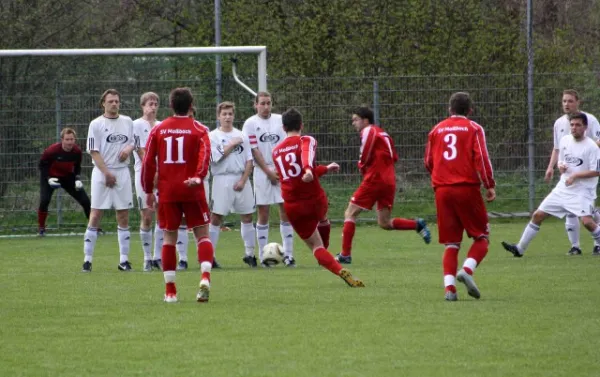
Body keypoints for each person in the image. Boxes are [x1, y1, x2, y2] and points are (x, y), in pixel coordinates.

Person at [273, 107, 364, 287]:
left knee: (316, 247)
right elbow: (306, 156)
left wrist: (310, 170)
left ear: (283, 128)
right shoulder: (306, 139)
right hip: (315, 200)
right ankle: (326, 247)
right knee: (322, 219)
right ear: (302, 125)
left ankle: (335, 266)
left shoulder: (276, 151)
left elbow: (290, 173)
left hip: (293, 206)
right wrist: (315, 169)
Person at [142, 87, 214, 303]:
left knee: (169, 238)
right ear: (191, 105)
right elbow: (205, 156)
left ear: (171, 105)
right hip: (192, 189)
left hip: (168, 191)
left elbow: (148, 162)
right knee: (202, 235)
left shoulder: (159, 129)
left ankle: (171, 291)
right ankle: (204, 277)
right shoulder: (200, 129)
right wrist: (198, 177)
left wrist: (148, 190)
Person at [336, 106, 431, 264]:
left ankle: (345, 255)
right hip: (389, 179)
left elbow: (365, 153)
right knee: (384, 222)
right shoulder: (383, 133)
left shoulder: (369, 131)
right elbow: (394, 157)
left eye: (356, 120)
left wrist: (362, 165)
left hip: (375, 178)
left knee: (350, 213)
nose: (353, 123)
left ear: (365, 120)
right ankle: (417, 225)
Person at [424, 92, 496, 301]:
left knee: (451, 243)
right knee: (482, 237)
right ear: (470, 110)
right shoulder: (474, 128)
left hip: (442, 190)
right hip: (466, 188)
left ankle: (449, 289)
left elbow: (428, 161)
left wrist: (441, 177)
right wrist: (489, 184)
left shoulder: (436, 129)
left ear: (450, 109)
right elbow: (481, 158)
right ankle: (467, 270)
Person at [503, 112, 600, 258]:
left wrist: (575, 175)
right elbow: (562, 161)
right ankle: (519, 249)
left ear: (585, 127)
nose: (574, 128)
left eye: (578, 125)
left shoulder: (592, 147)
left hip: (583, 190)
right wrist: (561, 167)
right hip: (563, 188)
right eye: (572, 125)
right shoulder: (565, 140)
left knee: (587, 222)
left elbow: (596, 171)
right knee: (537, 215)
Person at [82, 89, 135, 272]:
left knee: (123, 215)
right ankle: (87, 260)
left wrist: (128, 149)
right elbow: (93, 151)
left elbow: (134, 141)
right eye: (110, 101)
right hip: (102, 173)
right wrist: (107, 173)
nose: (114, 104)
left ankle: (124, 260)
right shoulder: (96, 124)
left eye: (117, 101)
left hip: (122, 172)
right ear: (103, 103)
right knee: (96, 214)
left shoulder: (127, 122)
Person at [544, 89, 600, 256]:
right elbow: (557, 148)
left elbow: (598, 141)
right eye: (564, 101)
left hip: (587, 172)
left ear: (578, 102)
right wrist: (551, 167)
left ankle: (597, 243)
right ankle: (575, 246)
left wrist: (584, 156)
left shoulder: (590, 119)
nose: (566, 104)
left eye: (570, 101)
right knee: (572, 208)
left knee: (587, 214)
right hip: (569, 173)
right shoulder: (559, 123)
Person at [242, 91, 295, 267]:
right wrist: (268, 171)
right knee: (263, 212)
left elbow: (286, 144)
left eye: (268, 103)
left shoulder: (280, 120)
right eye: (262, 103)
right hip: (261, 171)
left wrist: (278, 170)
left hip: (281, 168)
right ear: (255, 105)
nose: (265, 107)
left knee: (285, 209)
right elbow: (254, 149)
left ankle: (288, 255)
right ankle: (264, 255)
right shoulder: (250, 123)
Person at [209, 102, 257, 266]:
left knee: (248, 215)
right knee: (216, 217)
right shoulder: (212, 136)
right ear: (218, 116)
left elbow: (249, 160)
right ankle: (211, 256)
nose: (228, 117)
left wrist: (243, 180)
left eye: (230, 114)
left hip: (240, 178)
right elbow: (216, 157)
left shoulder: (242, 135)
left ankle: (250, 254)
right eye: (224, 114)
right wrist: (231, 144)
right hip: (221, 179)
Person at [38, 127, 91, 236]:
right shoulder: (52, 151)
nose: (69, 142)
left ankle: (93, 228)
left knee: (85, 201)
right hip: (51, 177)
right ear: (62, 139)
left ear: (75, 140)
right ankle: (41, 228)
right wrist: (48, 178)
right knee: (44, 200)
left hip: (67, 177)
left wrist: (77, 179)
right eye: (67, 139)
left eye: (72, 139)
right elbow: (42, 165)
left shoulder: (77, 151)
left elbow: (77, 167)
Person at [132, 92, 164, 272]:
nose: (153, 107)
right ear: (143, 106)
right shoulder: (136, 125)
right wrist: (154, 170)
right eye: (150, 104)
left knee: (162, 214)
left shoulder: (161, 125)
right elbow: (141, 150)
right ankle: (146, 258)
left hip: (162, 175)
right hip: (144, 174)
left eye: (156, 104)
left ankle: (157, 256)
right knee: (147, 215)